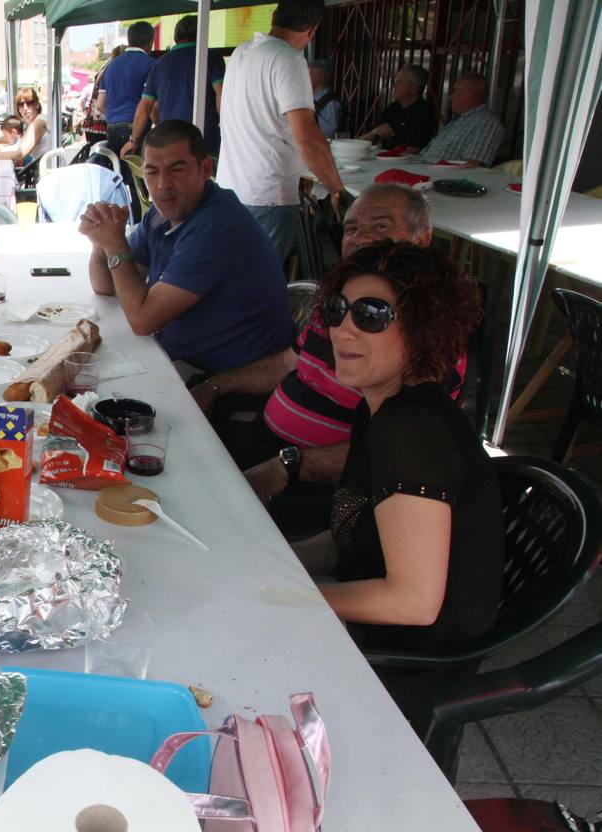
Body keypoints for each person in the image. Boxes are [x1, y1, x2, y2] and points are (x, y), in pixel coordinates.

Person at [290, 241, 500, 710]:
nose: (344, 327)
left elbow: (414, 602)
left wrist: (296, 595)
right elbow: (352, 527)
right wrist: (277, 561)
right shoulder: (381, 409)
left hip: (404, 664)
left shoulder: (412, 430)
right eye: (338, 309)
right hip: (372, 622)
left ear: (421, 328)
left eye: (372, 314)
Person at [191, 184, 437, 504]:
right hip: (267, 443)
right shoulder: (341, 297)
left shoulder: (429, 329)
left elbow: (397, 447)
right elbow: (288, 362)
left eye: (380, 225)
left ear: (423, 239)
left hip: (320, 485)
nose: (361, 237)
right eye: (351, 228)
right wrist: (213, 386)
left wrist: (289, 465)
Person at [80, 120, 294, 374]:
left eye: (176, 169)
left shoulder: (217, 225)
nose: (163, 184)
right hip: (180, 360)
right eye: (152, 171)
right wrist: (100, 241)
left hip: (231, 380)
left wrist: (115, 244)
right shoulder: (161, 214)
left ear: (205, 169)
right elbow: (106, 286)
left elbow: (142, 319)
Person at [215, 0, 344, 262]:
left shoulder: (242, 53)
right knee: (258, 283)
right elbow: (307, 136)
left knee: (237, 276)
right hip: (268, 196)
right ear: (313, 30)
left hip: (232, 188)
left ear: (274, 16)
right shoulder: (289, 59)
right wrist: (335, 189)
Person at [121, 16, 225, 158]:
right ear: (203, 34)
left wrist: (133, 140)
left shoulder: (159, 64)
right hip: (204, 140)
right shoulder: (211, 57)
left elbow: (146, 106)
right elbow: (221, 94)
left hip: (170, 141)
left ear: (176, 37)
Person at [419, 72, 506, 166]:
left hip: (443, 177)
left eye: (456, 92)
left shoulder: (487, 123)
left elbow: (473, 165)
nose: (451, 97)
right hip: (423, 168)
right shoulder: (458, 120)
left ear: (470, 94)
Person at [94, 21, 155, 153]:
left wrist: (116, 116)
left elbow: (100, 105)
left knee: (117, 171)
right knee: (135, 172)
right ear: (151, 41)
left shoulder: (111, 66)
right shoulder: (151, 65)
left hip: (111, 128)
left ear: (129, 39)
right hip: (136, 130)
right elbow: (151, 104)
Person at [357, 64, 437, 151]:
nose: (394, 86)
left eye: (399, 82)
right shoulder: (393, 108)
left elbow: (413, 152)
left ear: (413, 89)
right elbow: (358, 143)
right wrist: (374, 133)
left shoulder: (423, 113)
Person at [0, 90, 47, 167]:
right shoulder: (32, 123)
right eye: (21, 104)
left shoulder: (39, 123)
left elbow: (20, 154)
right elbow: (17, 144)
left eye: (29, 103)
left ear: (37, 104)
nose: (25, 108)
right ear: (18, 108)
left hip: (45, 174)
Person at [82, 44, 124, 144]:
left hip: (92, 125)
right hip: (102, 126)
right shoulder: (113, 72)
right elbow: (100, 105)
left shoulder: (104, 70)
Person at [309, 60, 343, 139]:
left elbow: (327, 134)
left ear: (322, 77)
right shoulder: (311, 99)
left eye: (309, 74)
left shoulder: (330, 103)